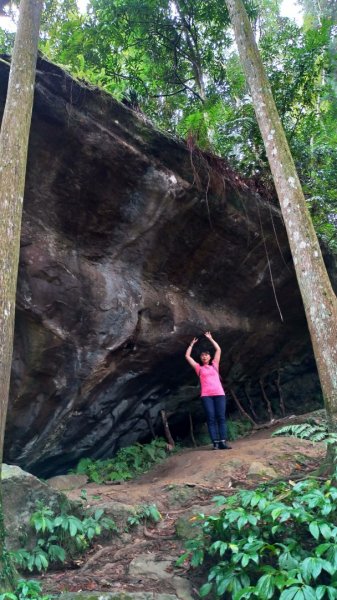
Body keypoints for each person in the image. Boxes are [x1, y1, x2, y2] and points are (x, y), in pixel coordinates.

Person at [185, 332, 231, 450]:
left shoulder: (215, 365)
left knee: (221, 417)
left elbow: (218, 349)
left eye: (206, 355)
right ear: (200, 358)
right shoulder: (198, 368)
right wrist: (191, 345)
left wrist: (211, 339)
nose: (204, 357)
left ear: (210, 357)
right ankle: (215, 443)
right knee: (211, 418)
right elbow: (187, 357)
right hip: (206, 396)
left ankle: (223, 442)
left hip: (219, 394)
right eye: (202, 356)